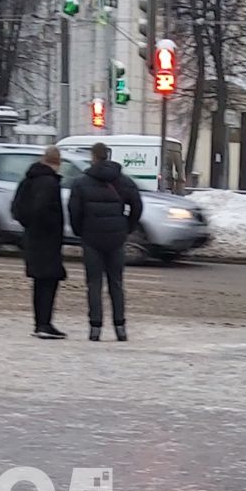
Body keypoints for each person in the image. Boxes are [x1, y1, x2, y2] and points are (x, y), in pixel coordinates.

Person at [68, 142, 143, 342]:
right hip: (116, 237)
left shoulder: (81, 182)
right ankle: (120, 327)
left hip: (91, 238)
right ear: (108, 156)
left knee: (94, 284)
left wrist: (80, 231)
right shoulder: (124, 182)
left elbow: (74, 211)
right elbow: (137, 206)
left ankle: (95, 327)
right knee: (116, 283)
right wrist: (127, 227)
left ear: (93, 157)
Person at [12, 146, 68, 340]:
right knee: (48, 282)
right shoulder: (49, 183)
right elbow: (42, 209)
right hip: (47, 239)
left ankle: (40, 323)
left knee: (40, 281)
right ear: (57, 163)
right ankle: (44, 323)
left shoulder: (28, 180)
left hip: (32, 238)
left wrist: (29, 224)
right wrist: (50, 226)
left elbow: (16, 209)